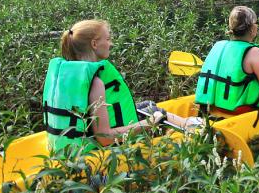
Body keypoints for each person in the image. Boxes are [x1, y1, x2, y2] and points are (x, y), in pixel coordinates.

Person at [42, 19, 182, 156]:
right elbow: (104, 138)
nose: (111, 44)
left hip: (65, 147)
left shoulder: (68, 75)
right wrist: (148, 123)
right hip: (94, 152)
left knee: (147, 105)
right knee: (157, 114)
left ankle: (189, 124)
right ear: (94, 44)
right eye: (108, 39)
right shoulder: (95, 83)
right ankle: (193, 129)